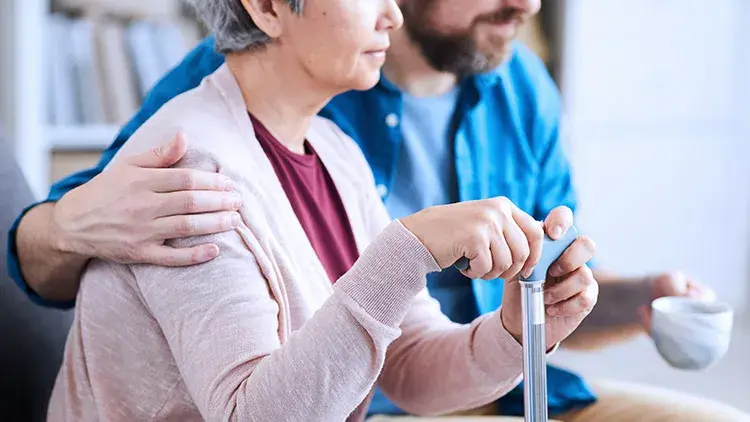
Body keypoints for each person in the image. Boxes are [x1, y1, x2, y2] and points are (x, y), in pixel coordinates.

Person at [6, 0, 747, 421]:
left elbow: (413, 369)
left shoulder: (330, 147)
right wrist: (407, 249)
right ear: (267, 6)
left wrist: (521, 330)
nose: (389, 12)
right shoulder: (190, 168)